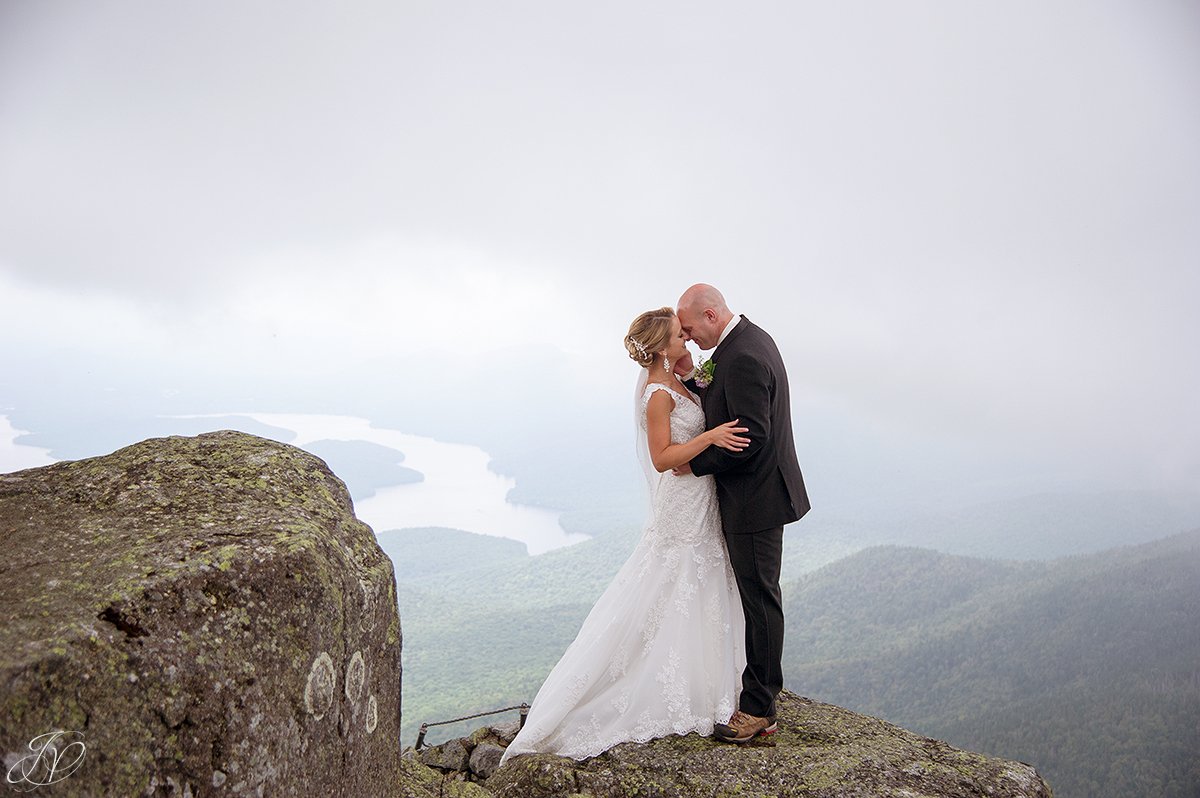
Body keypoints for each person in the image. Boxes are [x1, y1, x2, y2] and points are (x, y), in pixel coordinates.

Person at [499, 306, 750, 765]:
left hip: (701, 499)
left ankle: (704, 680)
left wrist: (695, 378)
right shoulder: (656, 394)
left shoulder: (677, 380)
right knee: (672, 581)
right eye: (679, 335)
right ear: (659, 347)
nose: (686, 339)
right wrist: (711, 436)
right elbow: (662, 457)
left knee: (701, 581)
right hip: (681, 504)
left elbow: (691, 402)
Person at [675, 283, 810, 743]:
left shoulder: (744, 355)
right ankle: (760, 696)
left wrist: (693, 463)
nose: (689, 338)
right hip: (756, 496)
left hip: (756, 499)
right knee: (757, 597)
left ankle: (759, 709)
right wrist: (695, 380)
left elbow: (749, 436)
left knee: (760, 600)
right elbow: (725, 403)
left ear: (711, 315)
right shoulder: (745, 340)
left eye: (691, 329)